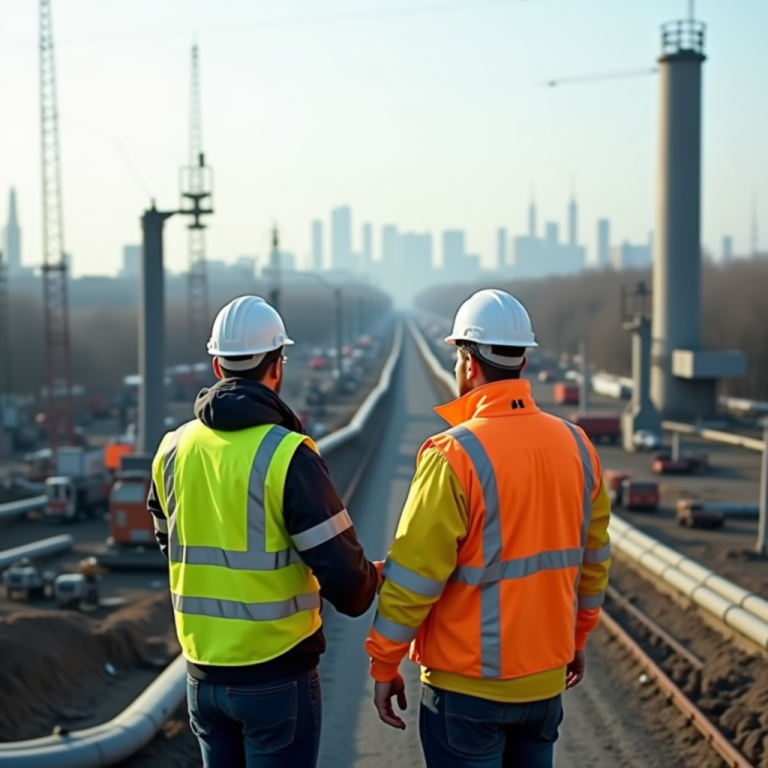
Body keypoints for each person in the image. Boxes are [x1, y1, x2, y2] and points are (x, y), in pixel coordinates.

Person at [366, 288, 611, 767]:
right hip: (543, 687)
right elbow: (594, 561)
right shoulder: (578, 446)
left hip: (465, 693)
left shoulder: (453, 455)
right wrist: (578, 638)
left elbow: (415, 577)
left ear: (468, 363)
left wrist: (385, 661)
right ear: (521, 362)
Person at [148, 295, 380, 768]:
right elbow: (349, 585)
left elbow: (168, 540)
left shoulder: (172, 450)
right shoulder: (287, 455)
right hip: (277, 678)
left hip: (203, 678)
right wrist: (373, 579)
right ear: (277, 367)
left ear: (217, 366)